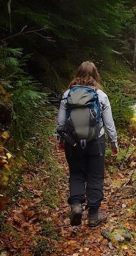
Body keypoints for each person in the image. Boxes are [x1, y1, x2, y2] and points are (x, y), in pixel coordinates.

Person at [56, 61, 118, 227]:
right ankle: (93, 216)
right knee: (95, 176)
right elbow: (109, 123)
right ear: (96, 75)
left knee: (76, 174)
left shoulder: (67, 94)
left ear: (77, 73)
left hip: (73, 142)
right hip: (95, 141)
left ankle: (76, 206)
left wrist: (61, 140)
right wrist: (114, 142)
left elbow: (61, 123)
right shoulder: (101, 95)